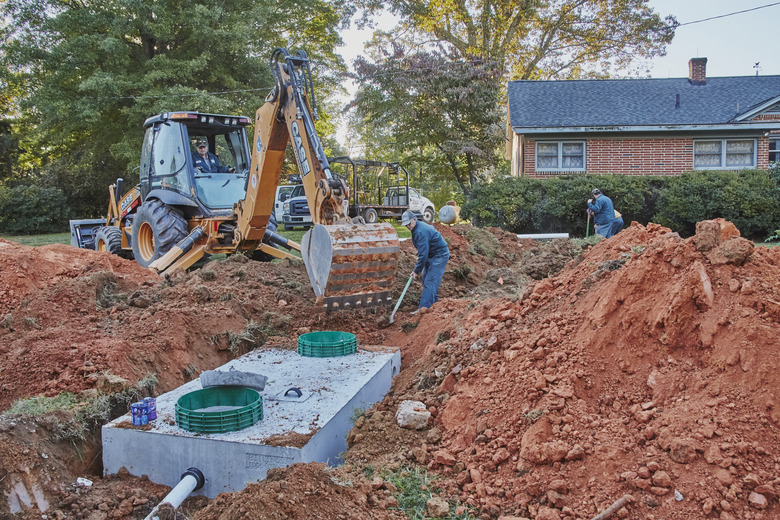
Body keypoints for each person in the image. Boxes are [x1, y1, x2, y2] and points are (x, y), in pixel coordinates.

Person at [402, 210, 450, 315]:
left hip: (439, 255)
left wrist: (416, 271)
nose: (407, 226)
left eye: (408, 223)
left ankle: (424, 308)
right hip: (432, 255)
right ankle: (434, 302)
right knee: (425, 278)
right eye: (405, 225)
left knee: (430, 281)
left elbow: (423, 255)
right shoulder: (416, 228)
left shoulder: (420, 231)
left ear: (414, 220)